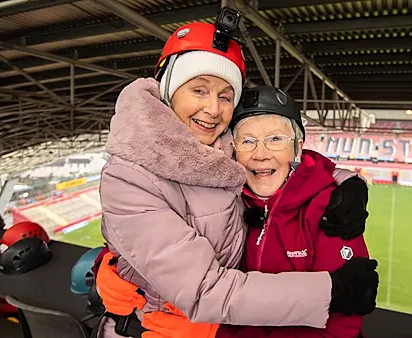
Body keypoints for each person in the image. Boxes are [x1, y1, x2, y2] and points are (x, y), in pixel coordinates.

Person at [95, 18, 375, 338]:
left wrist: (344, 182)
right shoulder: (128, 177)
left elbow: (277, 159)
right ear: (168, 89)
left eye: (226, 96)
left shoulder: (223, 154)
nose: (212, 109)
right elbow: (205, 289)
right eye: (198, 90)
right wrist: (331, 292)